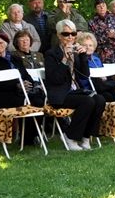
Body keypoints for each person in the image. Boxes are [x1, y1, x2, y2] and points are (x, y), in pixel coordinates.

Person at [44, 20, 106, 151]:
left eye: (73, 34)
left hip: (75, 91)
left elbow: (84, 76)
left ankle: (86, 136)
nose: (70, 37)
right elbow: (55, 79)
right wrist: (64, 59)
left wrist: (83, 56)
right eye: (66, 34)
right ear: (59, 35)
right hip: (60, 94)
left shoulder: (76, 51)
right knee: (87, 101)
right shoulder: (51, 54)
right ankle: (70, 136)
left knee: (100, 99)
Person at [88, 0, 115, 64]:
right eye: (99, 6)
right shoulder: (92, 22)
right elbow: (93, 41)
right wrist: (107, 35)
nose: (102, 8)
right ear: (95, 9)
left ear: (106, 7)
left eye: (103, 5)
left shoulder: (114, 19)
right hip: (101, 55)